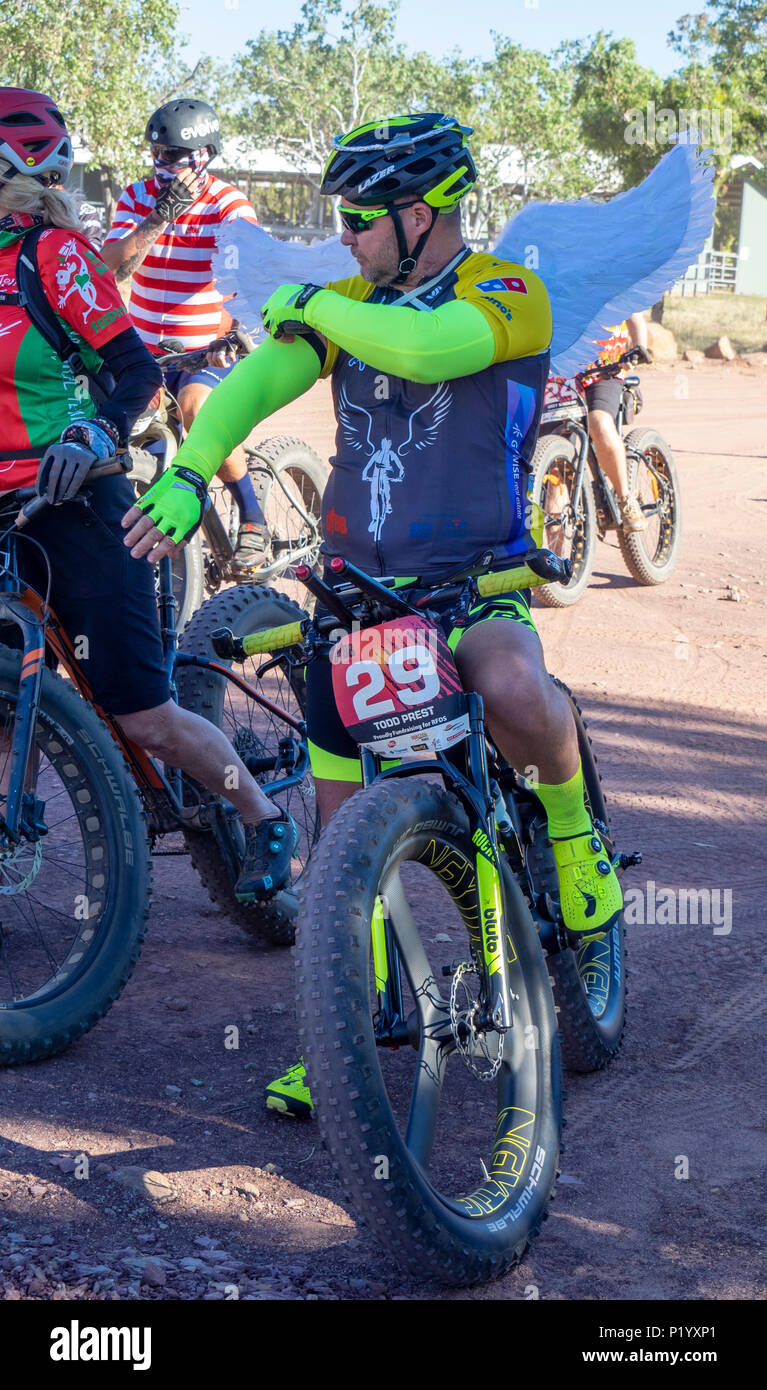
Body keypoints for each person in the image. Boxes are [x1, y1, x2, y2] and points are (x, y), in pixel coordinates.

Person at [125, 112, 625, 1118]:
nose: (343, 234)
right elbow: (252, 383)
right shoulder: (347, 300)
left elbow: (432, 349)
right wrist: (187, 469)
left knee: (513, 683)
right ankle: (340, 1030)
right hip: (357, 593)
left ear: (419, 210)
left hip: (472, 585)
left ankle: (572, 839)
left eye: (357, 217)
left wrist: (309, 299)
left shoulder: (505, 291)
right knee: (335, 832)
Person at [0, 87, 296, 900]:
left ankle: (265, 815)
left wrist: (94, 433)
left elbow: (131, 373)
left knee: (141, 713)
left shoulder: (49, 256)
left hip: (76, 497)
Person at [100, 98, 271, 572]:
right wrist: (160, 216)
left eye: (174, 156)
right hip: (146, 351)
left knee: (198, 411)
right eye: (157, 154)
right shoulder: (137, 197)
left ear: (205, 154)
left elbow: (247, 281)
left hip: (207, 348)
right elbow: (113, 270)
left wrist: (229, 337)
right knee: (136, 437)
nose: (163, 165)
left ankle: (254, 519)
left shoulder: (230, 206)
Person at [578, 313, 650, 531]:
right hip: (564, 372)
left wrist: (638, 348)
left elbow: (634, 315)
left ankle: (626, 498)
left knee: (598, 421)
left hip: (606, 369)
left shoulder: (609, 279)